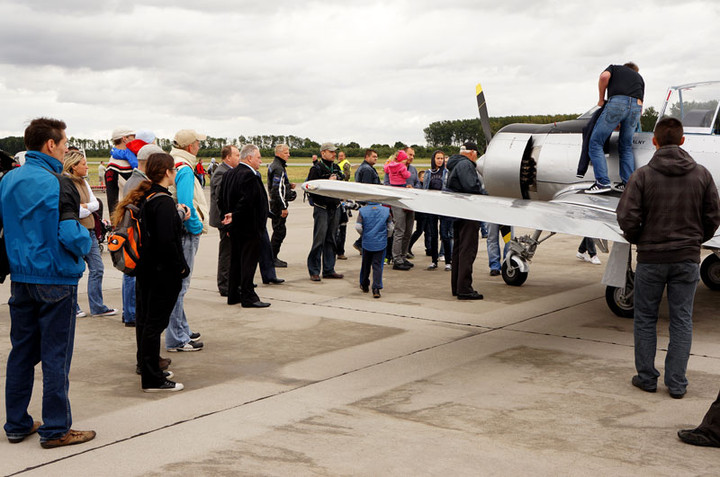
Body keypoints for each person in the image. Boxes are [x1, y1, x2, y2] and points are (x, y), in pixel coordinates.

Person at [0, 117, 96, 448]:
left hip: (21, 276)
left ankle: (16, 423)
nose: (67, 148)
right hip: (54, 276)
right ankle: (56, 429)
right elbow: (69, 232)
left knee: (22, 352)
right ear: (50, 145)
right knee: (56, 355)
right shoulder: (60, 182)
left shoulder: (8, 179)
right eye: (65, 143)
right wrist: (86, 243)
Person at [617, 117, 720, 398]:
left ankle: (647, 377)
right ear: (683, 140)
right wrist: (696, 240)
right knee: (682, 320)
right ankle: (677, 383)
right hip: (687, 259)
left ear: (655, 141)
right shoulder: (702, 174)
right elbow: (713, 216)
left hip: (651, 258)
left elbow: (626, 217)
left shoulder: (641, 176)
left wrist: (639, 239)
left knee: (646, 319)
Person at [114, 153, 190, 392]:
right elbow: (167, 241)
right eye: (174, 170)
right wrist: (180, 267)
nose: (175, 174)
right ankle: (152, 378)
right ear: (167, 172)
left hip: (145, 270)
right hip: (161, 273)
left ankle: (149, 368)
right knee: (154, 325)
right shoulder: (163, 201)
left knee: (147, 322)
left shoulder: (147, 195)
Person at [166, 129, 208, 352]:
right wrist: (197, 227)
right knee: (180, 286)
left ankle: (182, 329)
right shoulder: (185, 168)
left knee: (178, 285)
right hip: (186, 232)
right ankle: (176, 338)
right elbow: (185, 205)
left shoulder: (175, 162)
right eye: (198, 144)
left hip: (178, 231)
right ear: (190, 146)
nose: (200, 147)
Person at [62, 151, 117, 319]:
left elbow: (95, 204)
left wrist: (84, 207)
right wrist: (85, 207)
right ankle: (72, 306)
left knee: (98, 268)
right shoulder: (65, 183)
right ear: (74, 166)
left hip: (90, 232)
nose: (87, 167)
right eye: (84, 164)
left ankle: (97, 307)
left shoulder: (84, 182)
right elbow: (73, 209)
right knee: (74, 271)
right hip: (75, 233)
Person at [220, 144, 271, 308]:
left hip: (235, 228)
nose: (260, 161)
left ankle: (234, 294)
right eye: (258, 158)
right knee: (248, 262)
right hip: (249, 227)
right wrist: (235, 216)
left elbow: (221, 200)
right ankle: (248, 296)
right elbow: (248, 202)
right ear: (249, 158)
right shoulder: (249, 175)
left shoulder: (229, 174)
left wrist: (228, 221)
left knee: (236, 261)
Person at [119, 143, 164, 328]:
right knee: (132, 274)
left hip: (131, 234)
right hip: (135, 236)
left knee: (130, 275)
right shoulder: (139, 182)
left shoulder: (134, 179)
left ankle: (129, 312)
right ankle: (131, 313)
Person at [586, 62, 644, 194]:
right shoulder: (639, 78)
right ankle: (628, 183)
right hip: (636, 107)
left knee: (595, 142)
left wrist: (601, 99)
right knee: (626, 146)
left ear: (625, 67)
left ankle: (602, 182)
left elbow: (604, 77)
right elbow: (641, 107)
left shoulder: (615, 68)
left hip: (617, 103)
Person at [446, 142, 484, 300]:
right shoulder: (466, 165)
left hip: (458, 211)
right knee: (468, 250)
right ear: (473, 153)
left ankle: (457, 286)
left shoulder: (455, 164)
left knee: (459, 251)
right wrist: (485, 192)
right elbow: (471, 186)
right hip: (468, 212)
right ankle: (465, 288)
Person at [306, 142, 344, 281]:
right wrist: (326, 181)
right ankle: (314, 270)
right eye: (331, 152)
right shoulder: (316, 169)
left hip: (335, 207)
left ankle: (329, 269)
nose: (334, 154)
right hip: (321, 208)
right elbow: (310, 187)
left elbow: (343, 179)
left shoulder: (336, 167)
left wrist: (337, 179)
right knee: (319, 240)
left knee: (331, 239)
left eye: (335, 152)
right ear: (323, 153)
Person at [210, 144, 240, 297]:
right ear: (228, 157)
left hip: (228, 219)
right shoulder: (222, 173)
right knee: (226, 252)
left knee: (232, 251)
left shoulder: (228, 171)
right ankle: (224, 284)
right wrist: (226, 220)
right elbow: (222, 199)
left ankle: (233, 281)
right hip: (224, 220)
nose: (239, 158)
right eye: (236, 155)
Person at [356, 202, 393, 298]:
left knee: (365, 264)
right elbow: (391, 227)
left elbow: (358, 227)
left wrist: (364, 234)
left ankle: (364, 284)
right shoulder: (386, 211)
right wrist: (386, 236)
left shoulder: (362, 211)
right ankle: (376, 288)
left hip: (367, 241)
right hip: (380, 242)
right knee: (377, 265)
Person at [267, 144, 296, 267]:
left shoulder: (275, 165)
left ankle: (271, 257)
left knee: (279, 230)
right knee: (279, 231)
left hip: (276, 203)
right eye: (286, 152)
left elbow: (279, 187)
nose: (288, 154)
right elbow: (276, 189)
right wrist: (283, 207)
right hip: (278, 205)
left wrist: (288, 186)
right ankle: (272, 258)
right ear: (278, 153)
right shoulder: (278, 168)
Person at [384, 150, 413, 270]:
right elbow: (387, 183)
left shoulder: (390, 166)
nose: (410, 158)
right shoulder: (402, 167)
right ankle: (397, 258)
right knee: (400, 229)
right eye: (409, 155)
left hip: (410, 201)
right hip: (398, 199)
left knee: (408, 230)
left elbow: (416, 181)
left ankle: (403, 255)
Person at [424, 150, 452, 271]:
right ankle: (434, 260)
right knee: (433, 235)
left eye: (441, 158)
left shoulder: (448, 173)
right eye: (438, 158)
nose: (440, 160)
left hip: (444, 206)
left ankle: (448, 261)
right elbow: (425, 189)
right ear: (433, 159)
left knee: (445, 234)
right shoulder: (428, 173)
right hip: (431, 206)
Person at [352, 148, 381, 253]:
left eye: (376, 156)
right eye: (373, 156)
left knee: (368, 226)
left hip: (364, 202)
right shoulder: (367, 169)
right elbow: (368, 188)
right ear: (367, 157)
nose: (376, 158)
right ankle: (360, 244)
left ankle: (361, 244)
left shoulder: (366, 168)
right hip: (368, 202)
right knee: (370, 226)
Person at [105, 127, 136, 215]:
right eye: (133, 136)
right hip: (125, 214)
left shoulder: (131, 157)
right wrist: (114, 220)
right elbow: (112, 196)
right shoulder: (113, 165)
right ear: (124, 139)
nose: (135, 139)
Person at [335, 150, 352, 260]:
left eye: (341, 155)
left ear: (344, 156)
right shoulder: (337, 164)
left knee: (342, 223)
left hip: (342, 191)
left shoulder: (345, 164)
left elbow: (346, 176)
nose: (340, 157)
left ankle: (340, 251)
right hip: (339, 191)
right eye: (339, 156)